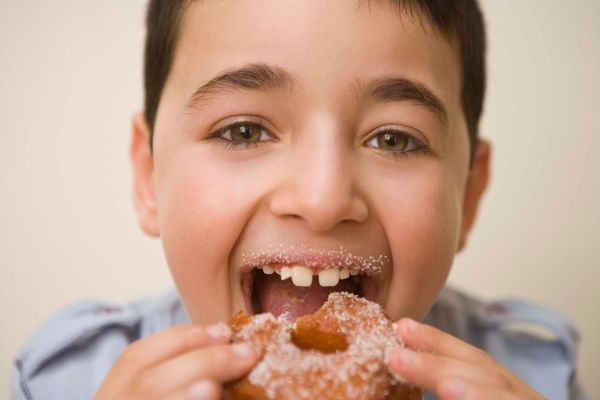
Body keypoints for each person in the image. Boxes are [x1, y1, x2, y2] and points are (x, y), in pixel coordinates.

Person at [11, 1, 586, 399]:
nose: (323, 198)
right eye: (243, 131)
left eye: (394, 139)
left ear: (468, 192)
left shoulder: (527, 375)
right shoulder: (72, 379)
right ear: (148, 175)